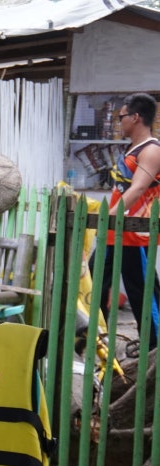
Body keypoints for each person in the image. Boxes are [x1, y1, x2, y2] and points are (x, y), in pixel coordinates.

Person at [89, 93, 160, 348]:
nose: (120, 122)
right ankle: (96, 338)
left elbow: (139, 188)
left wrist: (110, 215)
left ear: (136, 117)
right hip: (115, 231)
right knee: (95, 282)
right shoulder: (132, 148)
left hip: (134, 234)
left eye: (122, 117)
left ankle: (153, 348)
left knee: (142, 292)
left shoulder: (151, 150)